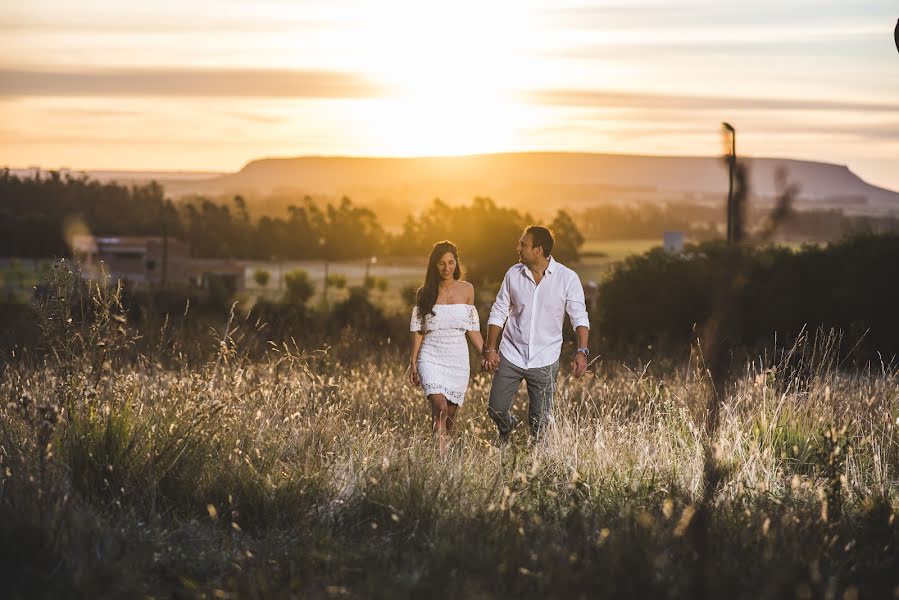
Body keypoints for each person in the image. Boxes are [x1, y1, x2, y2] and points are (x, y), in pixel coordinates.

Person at [482, 226, 590, 441]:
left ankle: (536, 465)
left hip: (545, 358)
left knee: (540, 422)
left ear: (538, 250)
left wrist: (582, 350)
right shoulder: (513, 273)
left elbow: (579, 316)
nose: (518, 248)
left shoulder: (567, 278)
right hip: (511, 354)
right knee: (496, 409)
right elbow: (499, 310)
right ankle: (508, 428)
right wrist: (491, 349)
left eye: (523, 244)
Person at [409, 241, 484, 452]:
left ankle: (446, 461)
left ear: (456, 264)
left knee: (450, 417)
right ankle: (440, 462)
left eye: (451, 262)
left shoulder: (467, 289)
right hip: (430, 356)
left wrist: (488, 354)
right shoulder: (424, 293)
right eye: (442, 263)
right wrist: (413, 362)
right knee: (440, 407)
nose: (447, 268)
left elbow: (472, 329)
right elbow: (419, 330)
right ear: (434, 265)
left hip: (457, 359)